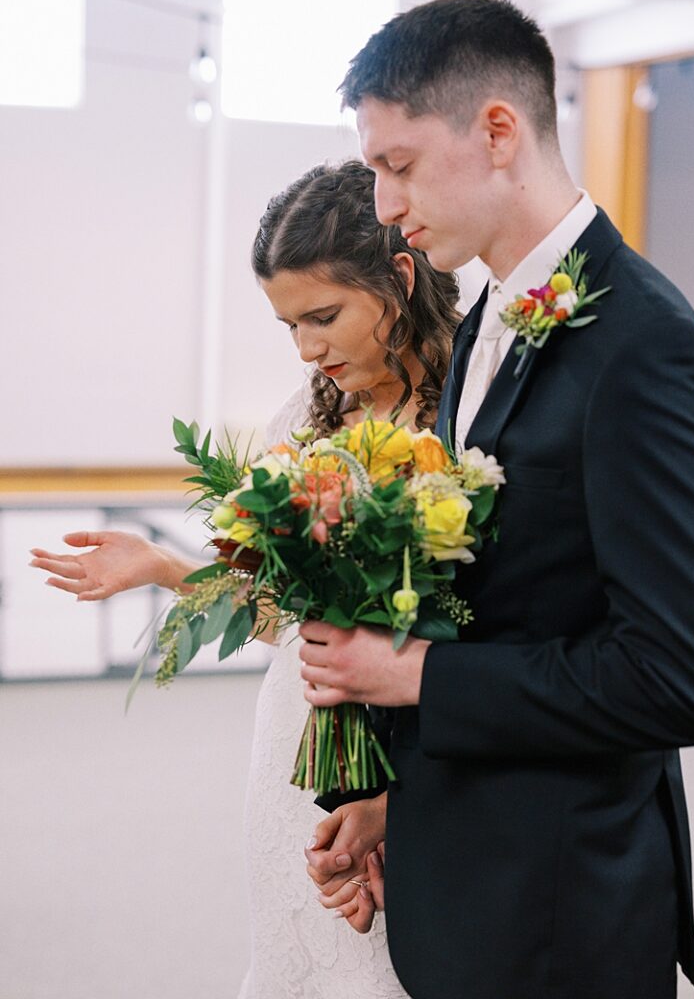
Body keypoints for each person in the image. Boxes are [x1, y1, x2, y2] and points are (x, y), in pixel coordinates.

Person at [300, 0, 694, 999]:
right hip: (464, 879)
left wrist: (410, 676)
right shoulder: (490, 316)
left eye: (397, 165)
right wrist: (393, 801)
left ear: (497, 130)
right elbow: (507, 601)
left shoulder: (647, 349)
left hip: (560, 916)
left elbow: (683, 677)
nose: (381, 206)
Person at [29, 159, 461, 998]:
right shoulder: (298, 424)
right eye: (288, 325)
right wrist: (162, 568)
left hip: (422, 745)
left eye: (324, 316)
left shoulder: (473, 416)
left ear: (400, 280)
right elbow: (275, 615)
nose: (307, 349)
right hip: (295, 741)